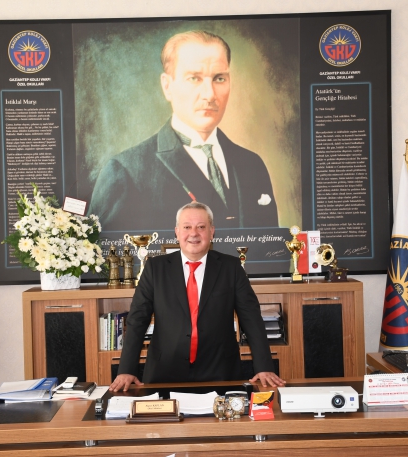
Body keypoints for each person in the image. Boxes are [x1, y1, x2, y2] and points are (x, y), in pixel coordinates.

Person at [88, 30, 279, 231]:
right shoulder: (126, 172)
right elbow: (104, 250)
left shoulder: (253, 165)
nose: (209, 94)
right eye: (194, 78)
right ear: (167, 86)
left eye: (219, 78)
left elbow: (271, 247)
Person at [110, 201, 285, 391]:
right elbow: (137, 319)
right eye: (187, 227)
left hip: (220, 373)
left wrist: (264, 366)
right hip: (165, 372)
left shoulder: (231, 268)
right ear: (177, 232)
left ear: (212, 232)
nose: (194, 233)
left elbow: (251, 318)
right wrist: (126, 369)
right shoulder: (155, 268)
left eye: (201, 227)